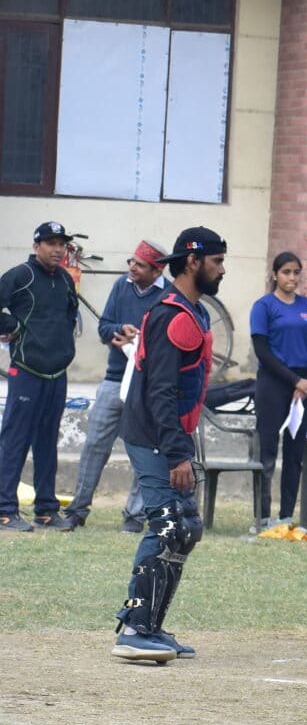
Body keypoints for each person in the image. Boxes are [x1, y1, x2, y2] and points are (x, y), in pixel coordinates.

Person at [111, 227, 224, 663]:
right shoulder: (171, 315)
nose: (222, 268)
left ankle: (152, 627)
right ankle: (134, 630)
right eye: (216, 261)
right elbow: (159, 390)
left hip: (171, 435)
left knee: (187, 528)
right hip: (155, 437)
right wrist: (177, 453)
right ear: (193, 262)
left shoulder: (193, 312)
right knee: (167, 526)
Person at [59, 240, 166, 532]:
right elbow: (105, 326)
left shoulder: (169, 296)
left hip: (147, 385)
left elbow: (168, 344)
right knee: (94, 445)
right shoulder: (122, 285)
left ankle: (134, 517)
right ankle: (77, 511)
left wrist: (141, 340)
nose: (132, 267)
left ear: (158, 271)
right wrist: (119, 332)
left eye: (140, 265)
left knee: (144, 450)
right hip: (115, 378)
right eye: (132, 261)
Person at [0, 221, 82, 532]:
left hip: (57, 372)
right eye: (50, 243)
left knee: (48, 442)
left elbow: (68, 316)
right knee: (15, 440)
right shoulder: (20, 275)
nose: (57, 249)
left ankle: (46, 510)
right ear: (37, 246)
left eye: (61, 243)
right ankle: (5, 510)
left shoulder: (64, 278)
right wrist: (11, 327)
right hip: (27, 370)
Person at [248, 252, 307, 529]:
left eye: (296, 272)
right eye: (286, 272)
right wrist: (294, 380)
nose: (292, 278)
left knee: (294, 455)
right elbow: (262, 351)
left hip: (302, 389)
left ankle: (287, 516)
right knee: (267, 452)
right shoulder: (264, 306)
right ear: (275, 275)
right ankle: (262, 516)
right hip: (273, 383)